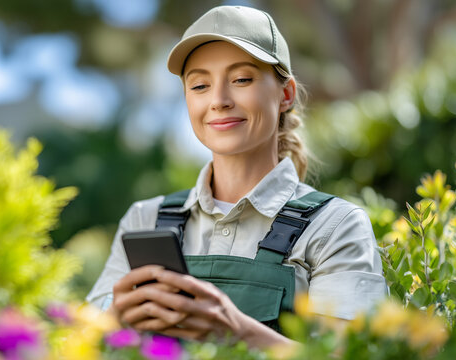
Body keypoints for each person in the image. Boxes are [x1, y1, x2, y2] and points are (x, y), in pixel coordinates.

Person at [86, 5, 386, 349]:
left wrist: (235, 329)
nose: (218, 101)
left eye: (241, 79)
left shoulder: (335, 227)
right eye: (199, 85)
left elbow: (351, 357)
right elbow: (81, 345)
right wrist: (114, 320)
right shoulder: (144, 220)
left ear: (285, 94)